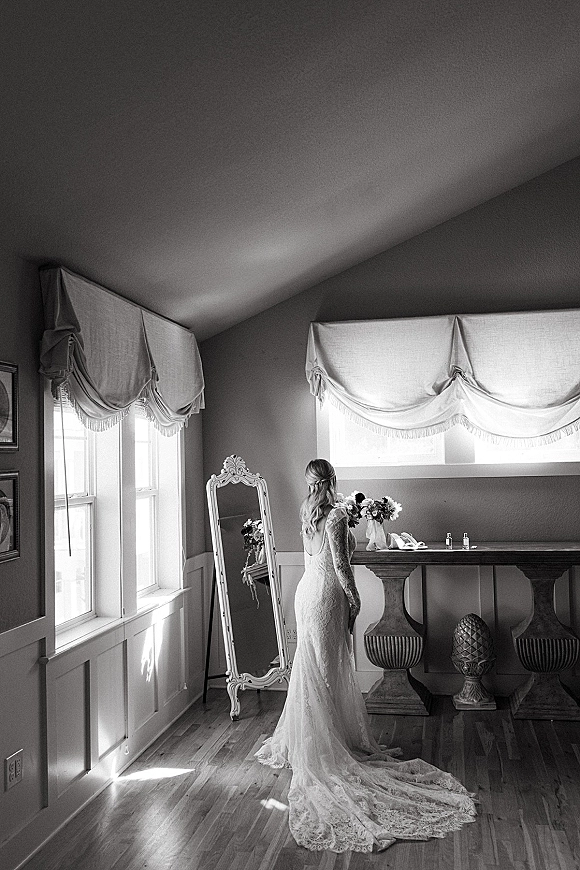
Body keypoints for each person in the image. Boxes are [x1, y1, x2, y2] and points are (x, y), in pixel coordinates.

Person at [255, 458, 476, 853]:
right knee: (325, 670)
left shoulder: (308, 512)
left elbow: (315, 559)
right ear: (333, 480)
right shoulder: (337, 516)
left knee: (314, 670)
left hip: (305, 594)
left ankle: (314, 738)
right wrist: (354, 602)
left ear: (310, 484)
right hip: (326, 596)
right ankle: (324, 745)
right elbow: (341, 567)